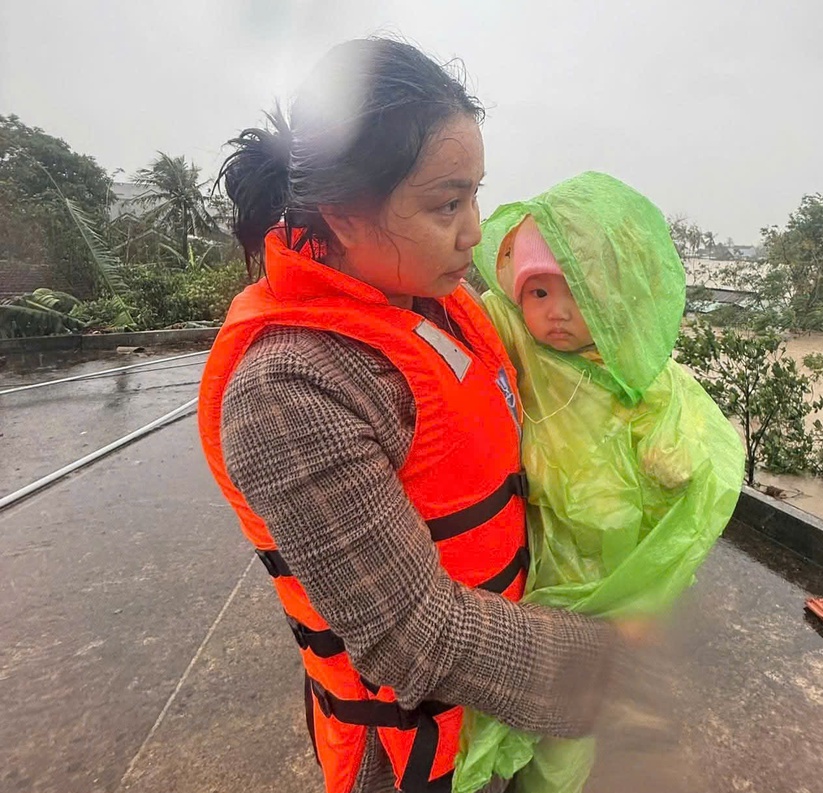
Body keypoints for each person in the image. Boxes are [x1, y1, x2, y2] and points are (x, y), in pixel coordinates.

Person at [197, 40, 616, 793]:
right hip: (417, 756)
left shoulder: (436, 300)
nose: (474, 231)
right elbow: (411, 637)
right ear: (343, 215)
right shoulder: (289, 389)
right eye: (446, 203)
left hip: (499, 710)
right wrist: (613, 670)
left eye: (475, 196)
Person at [454, 172, 745, 793]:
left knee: (572, 715)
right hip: (540, 553)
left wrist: (671, 454)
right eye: (537, 292)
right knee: (514, 684)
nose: (556, 313)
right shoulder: (520, 342)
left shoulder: (633, 364)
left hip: (605, 569)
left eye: (578, 293)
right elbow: (463, 316)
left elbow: (682, 418)